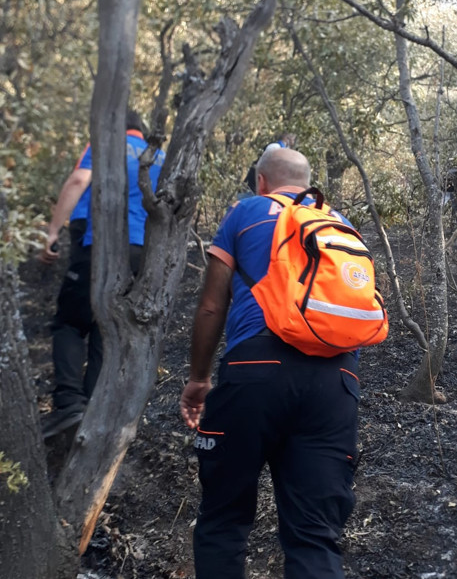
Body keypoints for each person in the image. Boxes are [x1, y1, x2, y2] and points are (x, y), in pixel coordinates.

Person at [180, 148, 360, 579]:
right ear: (308, 181)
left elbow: (210, 307)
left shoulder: (246, 212)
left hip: (254, 370)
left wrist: (199, 379)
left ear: (261, 181)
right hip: (336, 381)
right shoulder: (341, 224)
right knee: (316, 534)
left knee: (223, 521)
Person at [39, 110, 165, 438]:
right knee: (105, 326)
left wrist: (52, 231)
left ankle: (68, 403)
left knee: (69, 322)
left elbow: (80, 179)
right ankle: (92, 409)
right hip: (143, 251)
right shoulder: (160, 156)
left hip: (101, 245)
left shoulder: (106, 144)